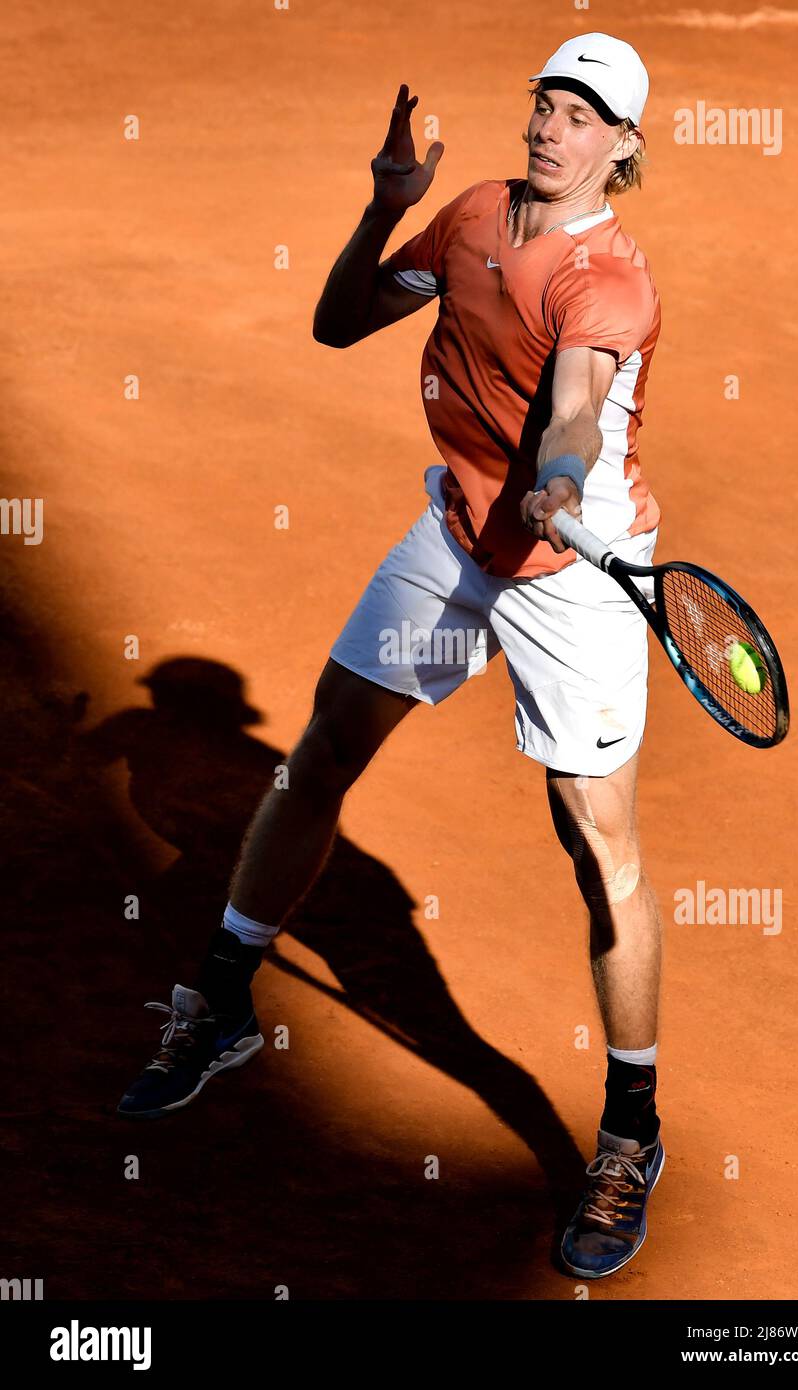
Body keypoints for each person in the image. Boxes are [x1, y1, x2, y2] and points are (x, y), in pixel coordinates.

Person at [118, 31, 665, 1282]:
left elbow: (575, 404)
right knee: (316, 754)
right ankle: (216, 1004)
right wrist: (381, 210)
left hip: (570, 573)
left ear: (622, 147)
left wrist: (560, 482)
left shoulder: (606, 285)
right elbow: (335, 323)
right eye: (546, 102)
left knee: (601, 845)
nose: (551, 126)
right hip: (456, 537)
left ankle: (628, 1131)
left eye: (583, 115)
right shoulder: (472, 213)